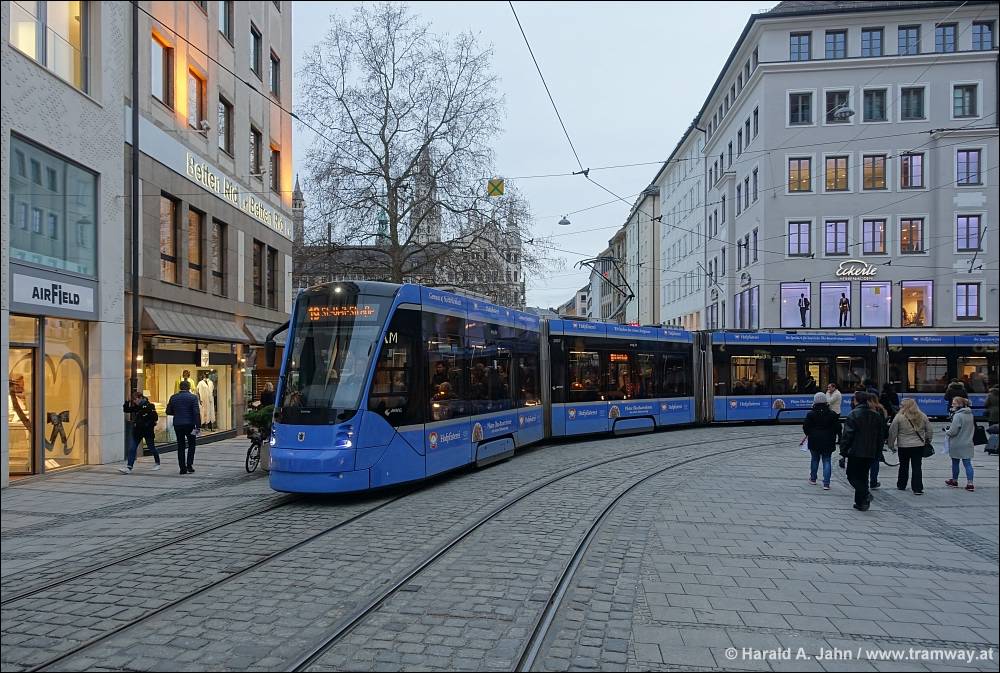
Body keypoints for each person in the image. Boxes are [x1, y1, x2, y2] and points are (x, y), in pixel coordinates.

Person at [840, 391, 887, 511]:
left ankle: (865, 494)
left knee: (851, 475)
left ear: (856, 400)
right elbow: (881, 436)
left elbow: (848, 435)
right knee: (863, 476)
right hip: (871, 451)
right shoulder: (876, 415)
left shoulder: (854, 414)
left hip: (856, 451)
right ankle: (861, 502)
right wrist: (878, 451)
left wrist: (843, 450)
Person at [888, 398, 933, 495]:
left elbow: (892, 432)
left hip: (903, 446)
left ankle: (901, 484)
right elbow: (929, 430)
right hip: (918, 445)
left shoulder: (899, 417)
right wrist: (928, 440)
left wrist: (891, 445)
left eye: (901, 405)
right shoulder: (922, 416)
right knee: (917, 466)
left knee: (903, 466)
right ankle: (917, 488)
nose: (900, 406)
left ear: (905, 406)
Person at [803, 392, 841, 490]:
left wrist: (809, 434)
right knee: (827, 460)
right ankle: (826, 483)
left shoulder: (811, 414)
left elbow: (805, 427)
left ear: (815, 401)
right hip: (828, 440)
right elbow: (838, 427)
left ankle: (813, 479)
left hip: (814, 440)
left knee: (814, 459)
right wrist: (834, 435)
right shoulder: (832, 414)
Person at [120, 391, 161, 474]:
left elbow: (155, 418)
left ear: (141, 398)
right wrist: (127, 402)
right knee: (132, 448)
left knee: (151, 447)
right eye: (133, 400)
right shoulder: (136, 407)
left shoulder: (149, 406)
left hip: (147, 431)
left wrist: (147, 424)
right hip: (137, 431)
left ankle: (157, 463)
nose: (135, 401)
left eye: (136, 399)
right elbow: (126, 410)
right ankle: (129, 467)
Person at [166, 380, 201, 475]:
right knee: (192, 444)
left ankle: (182, 468)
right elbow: (196, 413)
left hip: (178, 424)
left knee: (180, 445)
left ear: (180, 387)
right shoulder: (193, 397)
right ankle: (189, 465)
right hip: (190, 424)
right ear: (189, 387)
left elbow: (168, 411)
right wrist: (198, 426)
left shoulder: (173, 397)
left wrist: (177, 413)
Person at [944, 397, 975, 492]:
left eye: (954, 403)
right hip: (968, 442)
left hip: (957, 443)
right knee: (968, 464)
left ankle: (954, 481)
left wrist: (947, 431)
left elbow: (953, 431)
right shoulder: (970, 414)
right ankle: (970, 483)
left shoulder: (958, 415)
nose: (952, 405)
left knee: (955, 462)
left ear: (959, 405)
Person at [866, 395, 890, 489]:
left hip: (867, 439)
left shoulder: (865, 410)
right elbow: (883, 426)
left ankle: (865, 481)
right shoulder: (881, 410)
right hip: (878, 439)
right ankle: (873, 481)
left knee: (865, 461)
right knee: (875, 461)